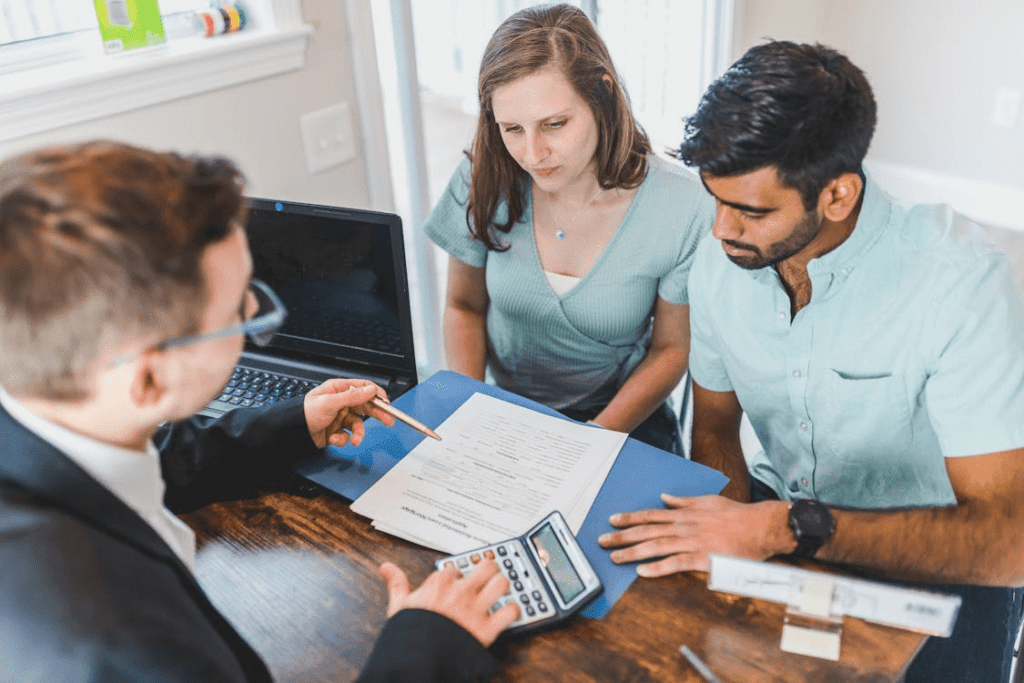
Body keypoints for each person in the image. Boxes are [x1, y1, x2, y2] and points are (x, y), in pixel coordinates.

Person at [0, 141, 518, 682]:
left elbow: (168, 456)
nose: (255, 314)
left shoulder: (50, 418)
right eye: (240, 313)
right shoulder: (126, 646)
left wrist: (296, 422)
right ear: (149, 379)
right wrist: (426, 645)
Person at [597, 41, 1024, 682]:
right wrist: (729, 567)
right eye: (716, 200)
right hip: (779, 525)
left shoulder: (961, 282)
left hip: (943, 555)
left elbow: (1008, 542)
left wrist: (781, 530)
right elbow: (714, 427)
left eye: (751, 210)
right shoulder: (723, 261)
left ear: (838, 195)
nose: (719, 231)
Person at [424, 4, 714, 454]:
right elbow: (463, 305)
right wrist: (470, 409)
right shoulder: (482, 176)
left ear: (603, 96)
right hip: (500, 412)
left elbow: (671, 349)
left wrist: (592, 440)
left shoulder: (683, 204)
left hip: (622, 420)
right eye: (512, 128)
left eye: (555, 124)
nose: (533, 153)